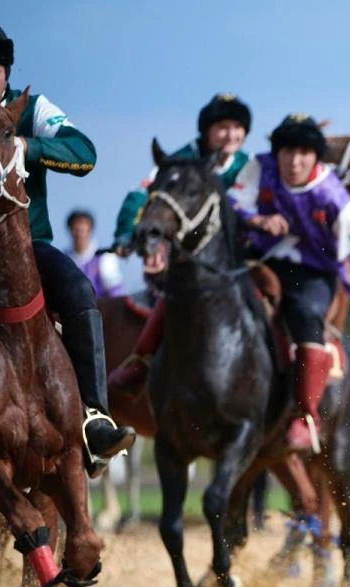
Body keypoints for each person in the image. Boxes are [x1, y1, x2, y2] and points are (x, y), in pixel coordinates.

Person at [0, 20, 134, 475]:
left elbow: (84, 153)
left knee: (81, 293)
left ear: (7, 74)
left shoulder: (34, 109)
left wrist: (24, 145)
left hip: (27, 251)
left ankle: (93, 419)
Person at [228, 114, 350, 453]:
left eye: (303, 153)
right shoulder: (258, 167)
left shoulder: (333, 196)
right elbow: (233, 202)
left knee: (305, 313)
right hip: (257, 260)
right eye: (286, 152)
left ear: (315, 156)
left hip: (312, 273)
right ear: (276, 153)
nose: (294, 161)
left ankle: (306, 416)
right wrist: (258, 220)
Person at [107, 92, 252, 393]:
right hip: (186, 256)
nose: (231, 135)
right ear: (206, 131)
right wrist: (125, 234)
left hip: (239, 256)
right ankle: (142, 360)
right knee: (172, 293)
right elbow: (140, 196)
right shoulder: (178, 161)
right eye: (222, 127)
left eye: (237, 127)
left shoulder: (250, 166)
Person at [64, 209, 124, 298]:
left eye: (82, 230)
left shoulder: (104, 257)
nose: (79, 234)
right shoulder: (63, 259)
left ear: (89, 230)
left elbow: (115, 291)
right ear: (70, 230)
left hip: (101, 309)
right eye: (76, 230)